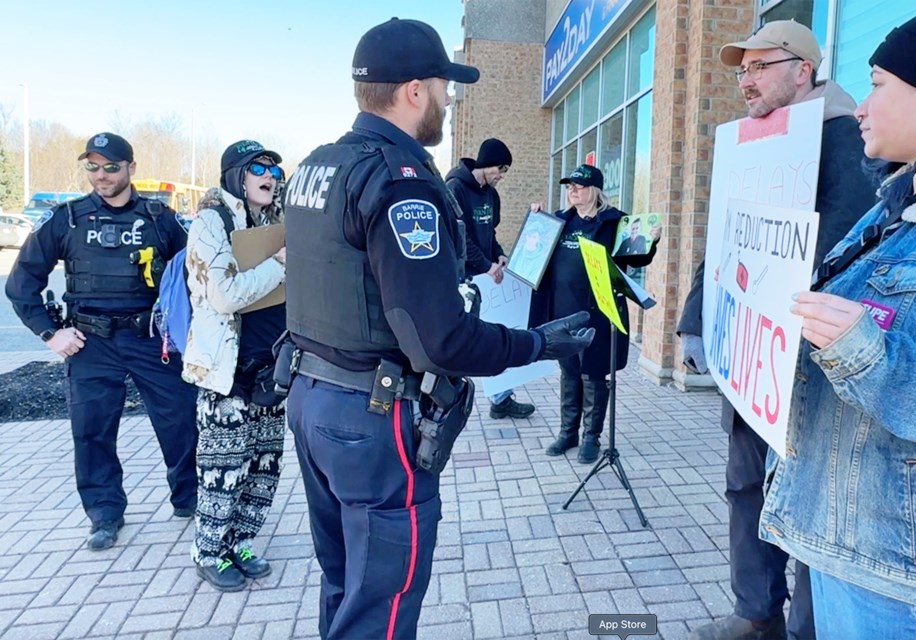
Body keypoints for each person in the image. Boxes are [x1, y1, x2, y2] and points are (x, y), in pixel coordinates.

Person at [282, 18, 594, 640]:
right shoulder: (401, 183)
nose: (451, 100)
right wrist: (537, 344)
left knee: (345, 583)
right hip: (372, 420)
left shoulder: (319, 165)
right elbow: (441, 340)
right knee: (383, 603)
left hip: (312, 398)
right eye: (445, 87)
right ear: (414, 92)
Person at [762, 5, 916, 636]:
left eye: (876, 85)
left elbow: (871, 353)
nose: (861, 107)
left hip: (904, 576)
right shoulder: (890, 211)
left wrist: (866, 354)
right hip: (845, 539)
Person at [677, 21, 877, 640]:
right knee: (744, 487)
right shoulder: (751, 143)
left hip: (809, 370)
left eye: (762, 67)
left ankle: (803, 629)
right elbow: (731, 237)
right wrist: (695, 320)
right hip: (752, 362)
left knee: (812, 501)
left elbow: (851, 257)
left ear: (803, 71)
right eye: (742, 69)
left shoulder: (849, 142)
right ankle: (755, 613)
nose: (746, 80)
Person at [4, 132, 199, 551]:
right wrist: (50, 333)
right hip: (90, 343)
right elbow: (21, 285)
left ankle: (190, 499)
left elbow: (196, 274)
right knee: (91, 432)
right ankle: (104, 514)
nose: (101, 174)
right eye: (92, 166)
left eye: (111, 166)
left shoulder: (160, 218)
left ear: (131, 168)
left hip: (151, 339)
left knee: (181, 420)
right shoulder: (66, 218)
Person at [183, 141, 288, 591]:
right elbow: (223, 295)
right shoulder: (211, 221)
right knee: (223, 469)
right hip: (227, 372)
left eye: (275, 169)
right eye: (260, 167)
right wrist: (280, 265)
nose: (271, 175)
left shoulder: (274, 220)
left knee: (264, 466)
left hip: (270, 368)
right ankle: (209, 551)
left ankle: (241, 542)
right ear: (237, 175)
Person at [531, 164, 660, 464]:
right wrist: (535, 220)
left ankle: (591, 436)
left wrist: (651, 241)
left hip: (598, 312)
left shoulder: (614, 222)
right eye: (568, 186)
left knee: (594, 372)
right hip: (562, 312)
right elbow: (534, 248)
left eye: (578, 185)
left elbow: (635, 256)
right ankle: (568, 432)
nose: (572, 190)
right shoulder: (559, 221)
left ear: (595, 190)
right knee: (569, 371)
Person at [445, 137, 536, 419]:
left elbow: (489, 234)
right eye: (500, 169)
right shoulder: (455, 189)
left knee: (494, 334)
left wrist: (498, 256)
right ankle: (447, 398)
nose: (501, 176)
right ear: (486, 164)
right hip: (463, 278)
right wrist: (486, 265)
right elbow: (460, 239)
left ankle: (501, 399)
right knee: (461, 340)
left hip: (487, 276)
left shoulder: (491, 195)